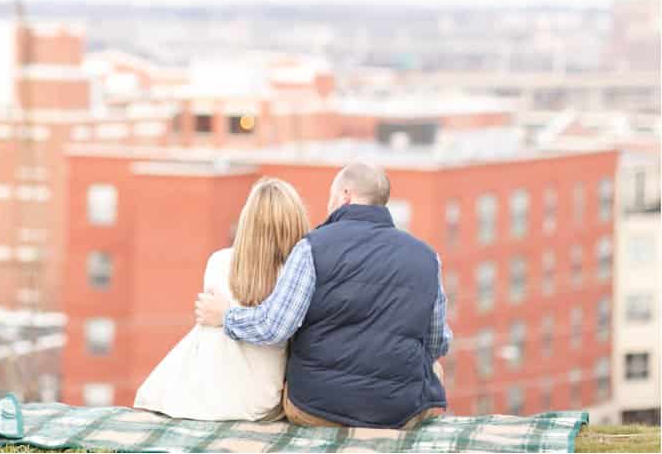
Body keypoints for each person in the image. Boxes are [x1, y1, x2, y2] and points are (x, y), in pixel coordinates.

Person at [195, 162, 451, 429]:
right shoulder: (427, 258)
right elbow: (436, 343)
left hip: (317, 408)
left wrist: (226, 316)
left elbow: (274, 328)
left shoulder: (311, 248)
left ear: (345, 196)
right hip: (399, 413)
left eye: (331, 197)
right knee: (434, 371)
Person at [134, 177, 311, 421]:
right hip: (262, 400)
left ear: (248, 222)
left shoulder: (219, 262)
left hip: (212, 396)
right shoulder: (298, 276)